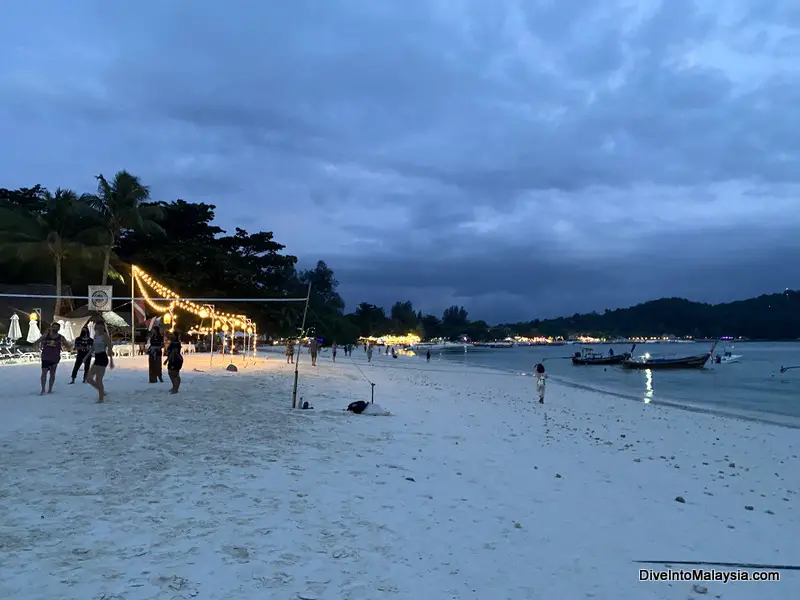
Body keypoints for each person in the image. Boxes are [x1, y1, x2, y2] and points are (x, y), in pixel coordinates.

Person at [37, 322, 72, 395]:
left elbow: (68, 346)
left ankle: (50, 389)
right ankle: (43, 389)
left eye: (56, 327)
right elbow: (38, 341)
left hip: (55, 357)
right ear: (51, 327)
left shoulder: (61, 337)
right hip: (45, 356)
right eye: (54, 327)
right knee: (44, 373)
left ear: (59, 329)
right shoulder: (46, 335)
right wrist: (36, 345)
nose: (55, 328)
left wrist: (69, 346)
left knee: (52, 374)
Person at [86, 320, 114, 403]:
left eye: (101, 326)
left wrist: (112, 361)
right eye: (97, 326)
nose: (99, 327)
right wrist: (87, 356)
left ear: (103, 327)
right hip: (97, 357)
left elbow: (109, 349)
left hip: (102, 357)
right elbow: (93, 348)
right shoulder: (95, 335)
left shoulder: (105, 336)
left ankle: (101, 398)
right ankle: (101, 391)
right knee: (89, 379)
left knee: (98, 379)